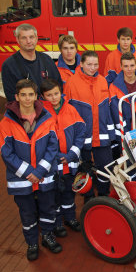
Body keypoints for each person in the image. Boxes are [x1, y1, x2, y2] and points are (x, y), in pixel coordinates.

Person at [0, 79, 61, 261]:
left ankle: (48, 236)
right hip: (21, 178)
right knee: (26, 213)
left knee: (48, 209)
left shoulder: (47, 118)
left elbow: (53, 146)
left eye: (31, 95)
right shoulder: (6, 122)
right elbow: (6, 152)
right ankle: (32, 243)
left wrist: (40, 171)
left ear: (36, 96)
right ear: (17, 97)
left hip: (44, 176)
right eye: (23, 95)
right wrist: (29, 172)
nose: (27, 99)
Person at [65, 50, 116, 200]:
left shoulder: (102, 81)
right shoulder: (71, 83)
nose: (93, 68)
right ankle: (88, 198)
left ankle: (103, 194)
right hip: (83, 137)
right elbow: (67, 112)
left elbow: (106, 109)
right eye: (89, 64)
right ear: (81, 64)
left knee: (106, 168)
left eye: (95, 64)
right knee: (84, 169)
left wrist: (111, 133)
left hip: (102, 135)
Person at [40, 79, 85, 237]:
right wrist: (59, 156)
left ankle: (70, 218)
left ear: (61, 92)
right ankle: (58, 223)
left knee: (69, 192)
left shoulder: (70, 109)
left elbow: (80, 132)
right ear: (43, 96)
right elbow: (41, 142)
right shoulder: (41, 114)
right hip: (53, 165)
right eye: (49, 95)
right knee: (54, 196)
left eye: (56, 94)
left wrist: (72, 154)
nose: (53, 98)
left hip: (70, 162)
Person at [109, 52, 136, 175]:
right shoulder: (114, 87)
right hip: (125, 132)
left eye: (132, 65)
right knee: (129, 164)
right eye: (126, 66)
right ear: (121, 67)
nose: (129, 69)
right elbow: (115, 113)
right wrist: (128, 136)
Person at [1, 23, 62, 102]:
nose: (28, 41)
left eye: (31, 37)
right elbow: (11, 97)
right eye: (24, 38)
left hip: (50, 111)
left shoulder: (47, 60)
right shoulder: (9, 65)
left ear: (36, 38)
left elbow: (59, 86)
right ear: (17, 40)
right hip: (26, 112)